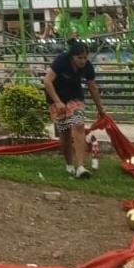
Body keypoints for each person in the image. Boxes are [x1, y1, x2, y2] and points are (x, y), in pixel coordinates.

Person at [43, 39, 105, 179]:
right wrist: (57, 102)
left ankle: (81, 167)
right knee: (65, 134)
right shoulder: (61, 61)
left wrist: (100, 109)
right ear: (72, 57)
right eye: (79, 58)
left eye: (85, 57)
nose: (83, 61)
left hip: (75, 98)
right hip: (56, 98)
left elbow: (92, 87)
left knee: (78, 125)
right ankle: (69, 164)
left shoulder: (87, 66)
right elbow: (47, 81)